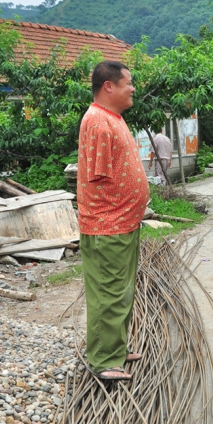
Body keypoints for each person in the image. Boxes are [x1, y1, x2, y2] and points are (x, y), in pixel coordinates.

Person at [78, 60, 150, 381]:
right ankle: (104, 359)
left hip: (121, 225)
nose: (132, 88)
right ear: (109, 86)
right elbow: (99, 178)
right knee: (108, 293)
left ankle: (115, 350)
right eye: (128, 83)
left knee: (120, 291)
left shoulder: (113, 119)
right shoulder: (97, 122)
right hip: (107, 227)